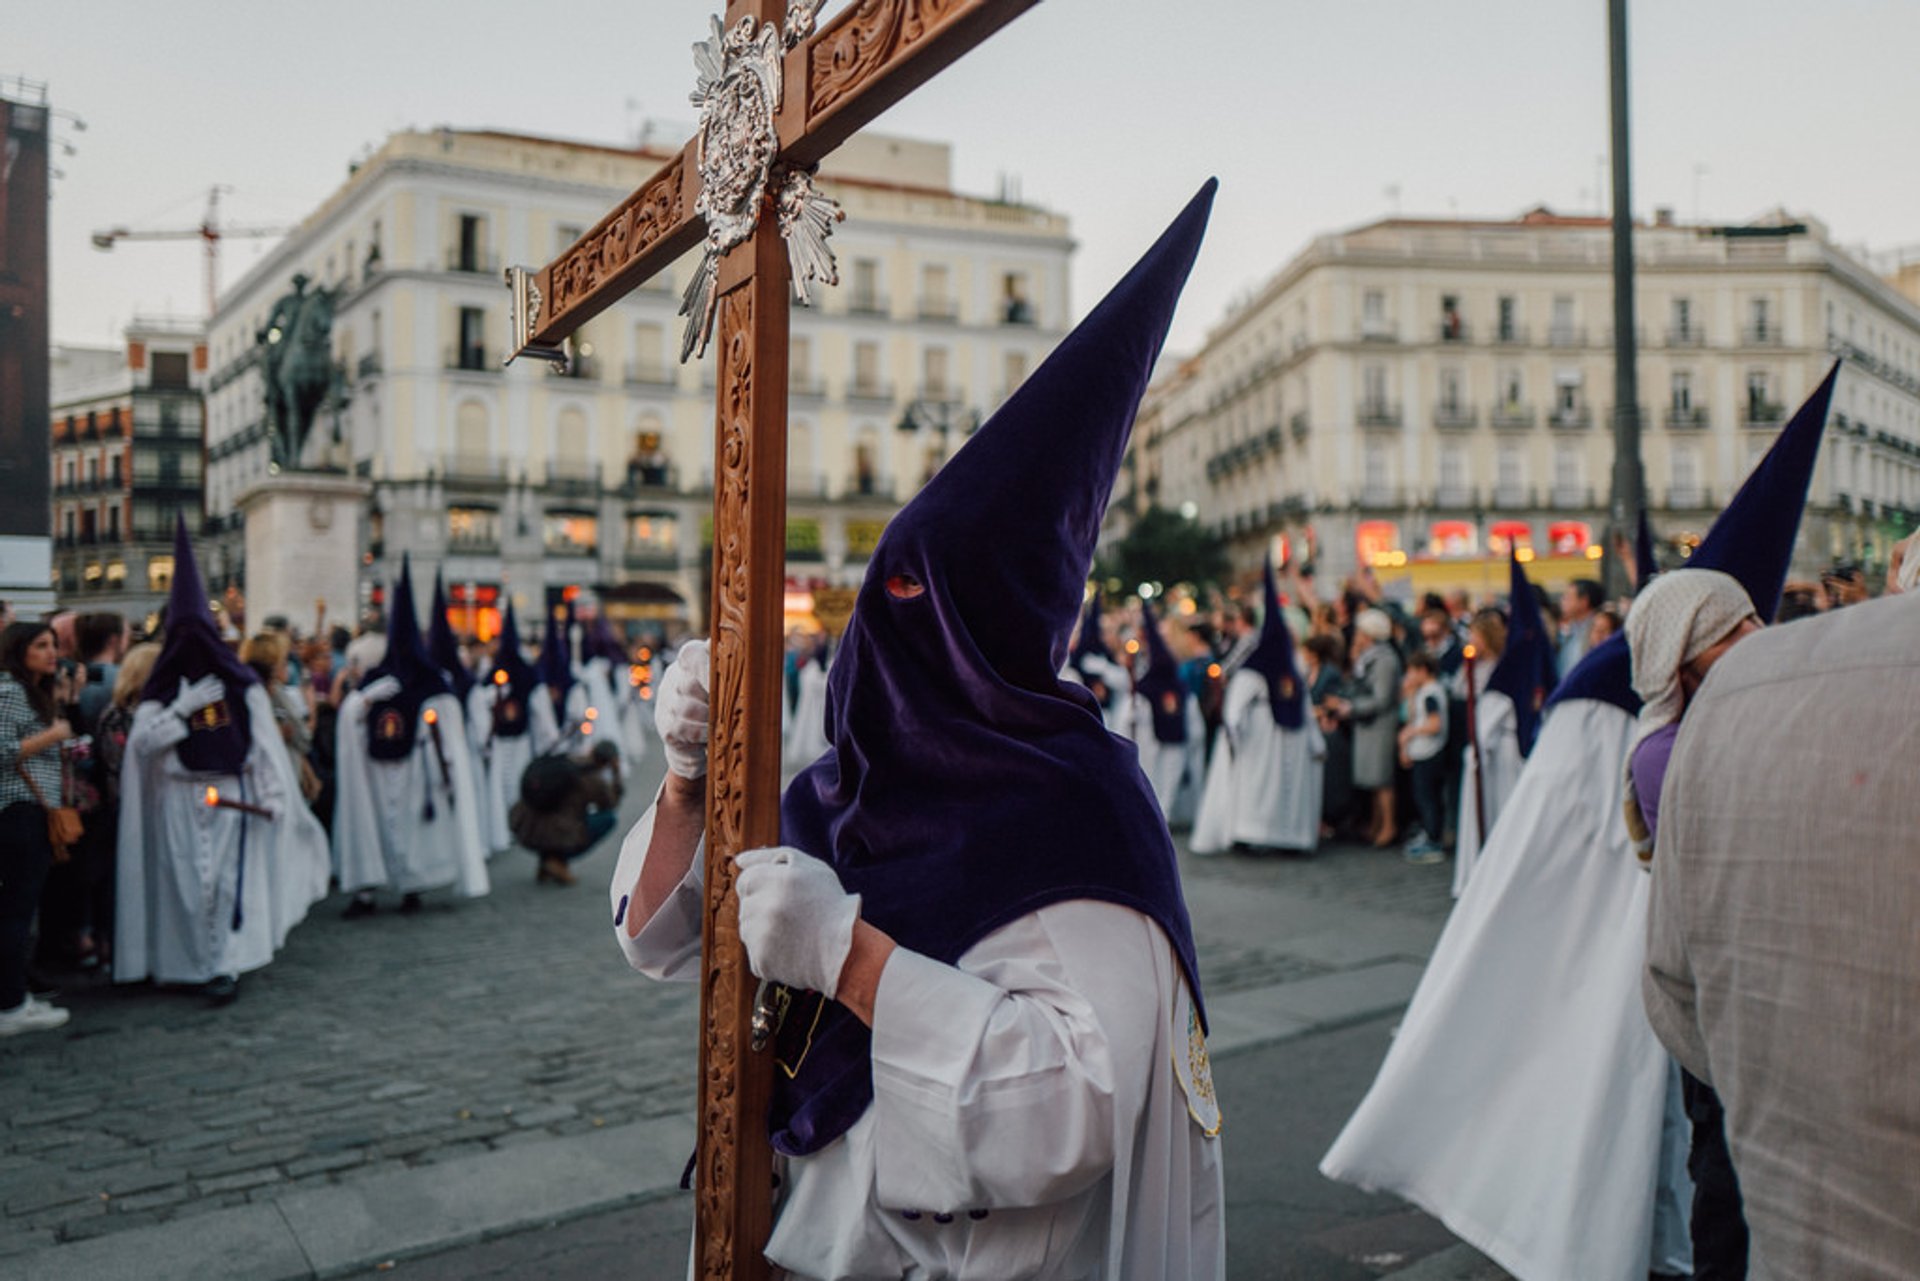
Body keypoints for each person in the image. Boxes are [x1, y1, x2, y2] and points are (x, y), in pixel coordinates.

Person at [609, 183, 1225, 1279]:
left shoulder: (1077, 809)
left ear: (979, 630)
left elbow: (1076, 1110)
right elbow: (663, 941)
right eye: (877, 593)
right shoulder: (854, 786)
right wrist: (688, 782)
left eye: (912, 601)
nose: (872, 640)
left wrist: (855, 962)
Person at [1322, 364, 1840, 1281]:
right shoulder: (1640, 728)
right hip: (1668, 954)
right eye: (1737, 625)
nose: (1762, 637)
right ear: (1687, 647)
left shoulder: (1723, 704)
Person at [1644, 589, 1920, 1277]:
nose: (1755, 631)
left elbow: (1670, 977)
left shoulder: (1738, 695)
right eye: (1733, 627)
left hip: (1787, 1187)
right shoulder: (1678, 737)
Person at [114, 521, 332, 1005]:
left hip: (234, 799)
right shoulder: (163, 691)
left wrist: (273, 795)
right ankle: (184, 962)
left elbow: (260, 747)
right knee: (186, 883)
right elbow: (143, 747)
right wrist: (179, 711)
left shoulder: (241, 687)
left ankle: (224, 963)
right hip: (177, 798)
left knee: (228, 885)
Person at [334, 558, 489, 917]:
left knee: (412, 830)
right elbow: (350, 719)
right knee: (374, 827)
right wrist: (366, 700)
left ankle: (411, 887)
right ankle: (368, 890)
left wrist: (439, 752)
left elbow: (448, 727)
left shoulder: (432, 685)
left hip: (416, 773)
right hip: (375, 770)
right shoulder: (376, 680)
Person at [1191, 556, 1323, 856]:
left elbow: (1301, 701)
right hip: (1262, 732)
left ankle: (1288, 837)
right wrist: (1234, 729)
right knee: (1260, 786)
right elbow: (1237, 703)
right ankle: (1252, 832)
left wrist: (1313, 739)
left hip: (1277, 731)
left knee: (1274, 786)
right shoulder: (1260, 667)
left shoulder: (1291, 667)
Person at [0, 621, 76, 1035]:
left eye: (53, 644)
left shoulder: (33, 693)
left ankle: (14, 997)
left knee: (20, 910)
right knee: (16, 912)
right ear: (19, 650)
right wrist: (52, 735)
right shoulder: (10, 692)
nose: (53, 652)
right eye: (41, 645)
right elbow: (3, 751)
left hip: (34, 808)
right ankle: (10, 1005)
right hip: (19, 809)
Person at [467, 603, 561, 855]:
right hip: (508, 741)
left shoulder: (503, 674)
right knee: (510, 784)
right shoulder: (519, 675)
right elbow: (541, 712)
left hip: (513, 741)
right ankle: (507, 828)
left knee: (506, 785)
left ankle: (512, 826)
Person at [1451, 608, 1520, 893]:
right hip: (1479, 741)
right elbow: (1458, 690)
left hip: (1498, 747)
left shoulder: (1502, 671)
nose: (1470, 640)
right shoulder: (1475, 666)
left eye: (1475, 635)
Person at [509, 739, 623, 885]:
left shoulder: (564, 760)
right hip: (558, 833)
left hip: (524, 829)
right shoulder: (593, 779)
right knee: (608, 819)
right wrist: (616, 774)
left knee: (563, 818)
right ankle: (557, 860)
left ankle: (547, 859)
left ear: (591, 750)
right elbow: (610, 805)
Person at [1336, 608, 1401, 847]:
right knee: (1373, 780)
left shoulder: (1385, 660)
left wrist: (1352, 708)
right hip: (1367, 724)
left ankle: (1388, 824)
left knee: (1382, 779)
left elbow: (1382, 698)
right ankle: (1376, 823)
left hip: (1380, 725)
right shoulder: (1366, 658)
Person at [1398, 651, 1448, 864]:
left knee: (1427, 797)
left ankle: (1433, 837)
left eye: (1411, 671)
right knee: (1424, 796)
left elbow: (1434, 724)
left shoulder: (1430, 694)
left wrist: (1411, 732)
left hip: (1429, 752)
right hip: (1423, 751)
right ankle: (1429, 833)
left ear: (1423, 671)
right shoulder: (1423, 692)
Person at [1556, 578, 1602, 675]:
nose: (1562, 601)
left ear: (1584, 601)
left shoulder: (1598, 630)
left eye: (1568, 597)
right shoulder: (1571, 630)